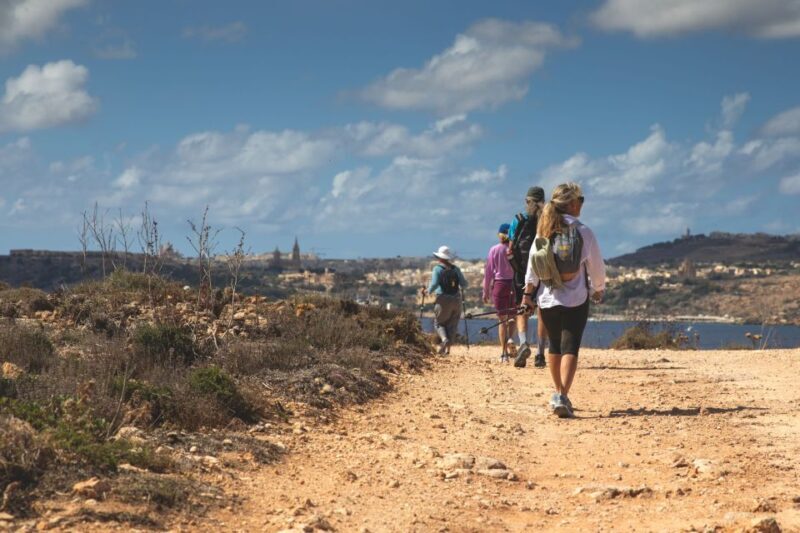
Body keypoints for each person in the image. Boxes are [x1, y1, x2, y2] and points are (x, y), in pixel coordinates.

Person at [522, 182, 606, 418]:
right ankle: (563, 395)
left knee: (555, 346)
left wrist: (527, 295)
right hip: (576, 298)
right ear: (572, 204)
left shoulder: (544, 230)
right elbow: (597, 267)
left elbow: (532, 267)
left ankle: (557, 391)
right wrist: (598, 288)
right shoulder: (584, 232)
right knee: (571, 347)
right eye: (581, 200)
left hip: (548, 298)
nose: (582, 204)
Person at [507, 186, 549, 368]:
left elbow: (510, 249)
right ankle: (540, 353)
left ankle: (524, 343)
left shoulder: (518, 220)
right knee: (543, 311)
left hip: (522, 273)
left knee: (521, 309)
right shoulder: (548, 221)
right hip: (544, 272)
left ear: (527, 201)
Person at [422, 245, 468, 355]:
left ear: (439, 257)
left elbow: (434, 284)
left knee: (439, 323)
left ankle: (444, 339)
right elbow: (464, 284)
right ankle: (448, 350)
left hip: (442, 299)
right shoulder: (455, 269)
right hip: (456, 299)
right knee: (452, 324)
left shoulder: (437, 269)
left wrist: (427, 291)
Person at [483, 224, 516, 362]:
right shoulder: (514, 249)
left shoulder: (494, 250)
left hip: (499, 285)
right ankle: (511, 338)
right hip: (513, 284)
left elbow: (488, 272)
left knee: (502, 320)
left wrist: (485, 291)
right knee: (512, 316)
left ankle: (504, 354)